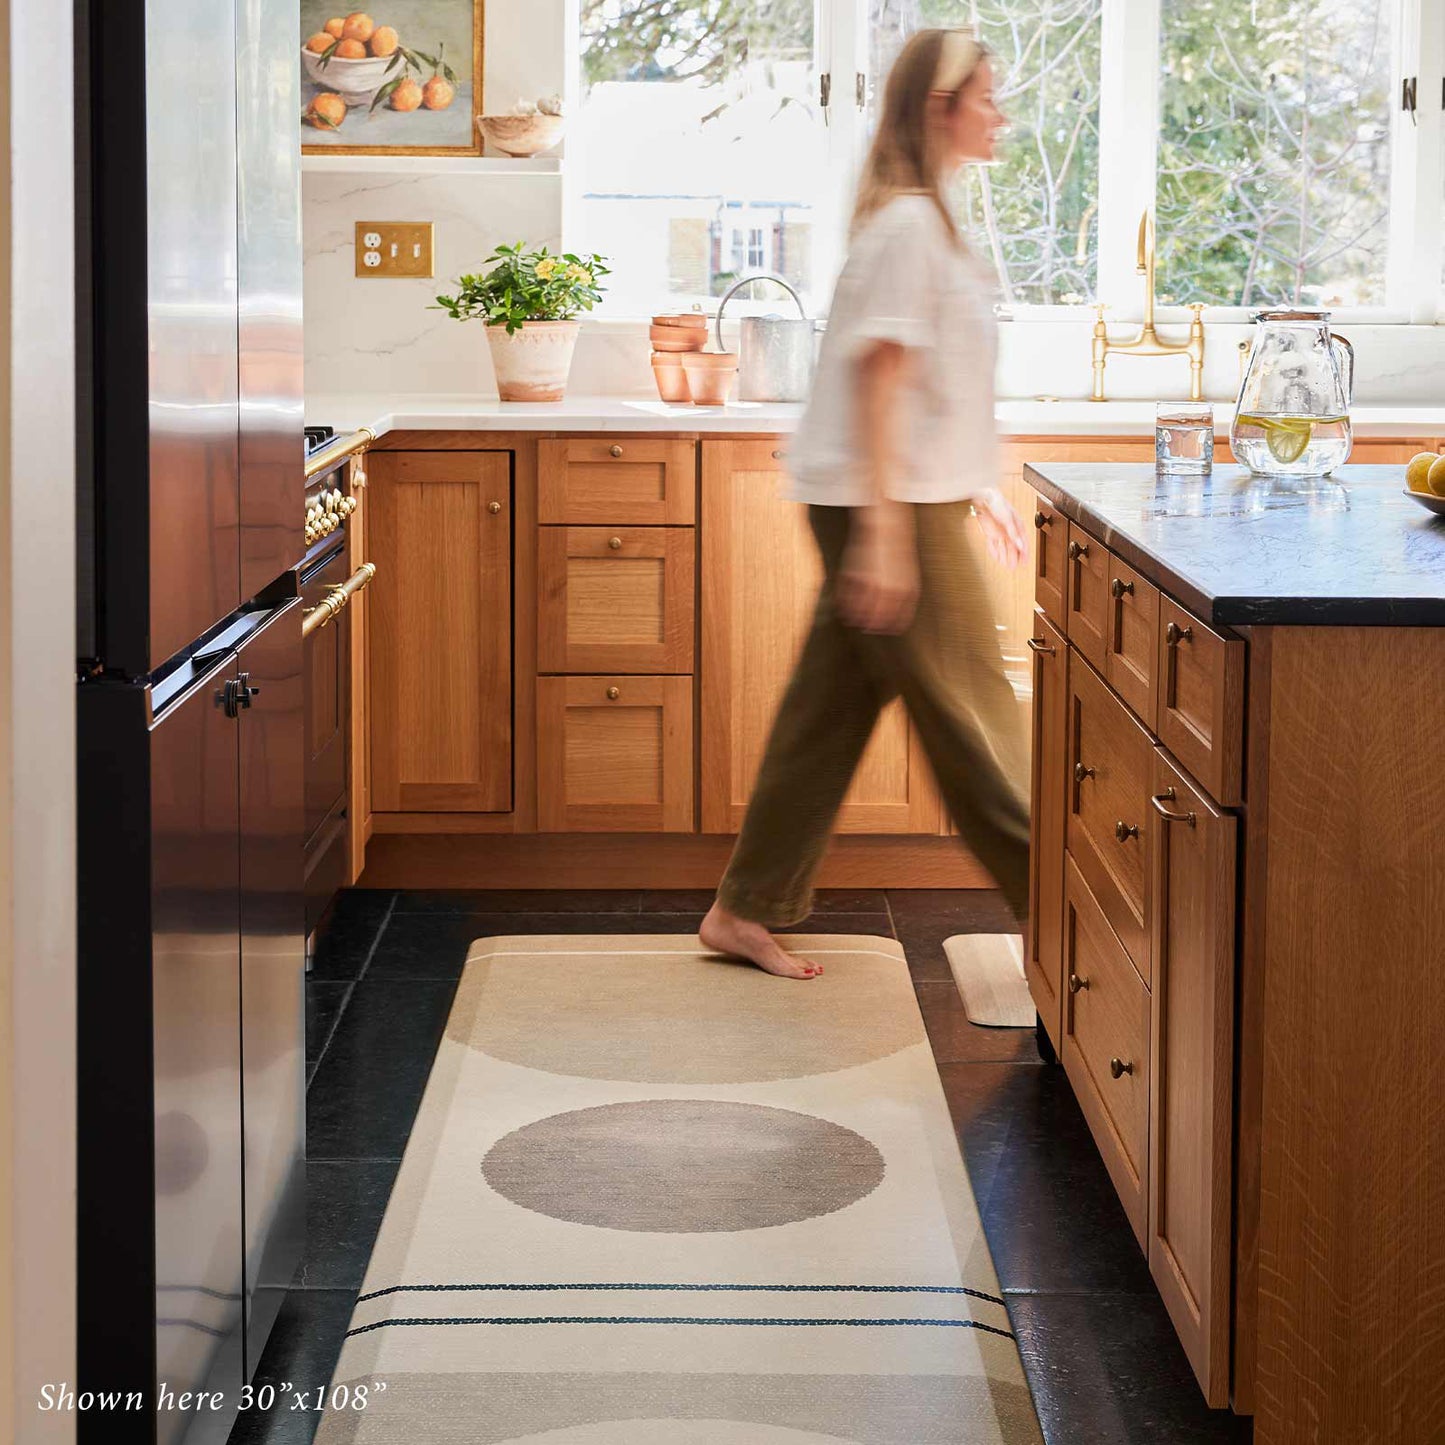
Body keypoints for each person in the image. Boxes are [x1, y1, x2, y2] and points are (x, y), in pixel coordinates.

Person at [699, 28, 1031, 981]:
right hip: (886, 506)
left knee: (828, 709)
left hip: (899, 498)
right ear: (939, 108)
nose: (999, 115)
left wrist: (977, 485)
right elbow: (879, 383)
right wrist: (886, 537)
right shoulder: (907, 228)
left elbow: (935, 384)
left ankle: (744, 905)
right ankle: (1076, 925)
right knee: (977, 721)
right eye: (986, 98)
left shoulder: (931, 219)